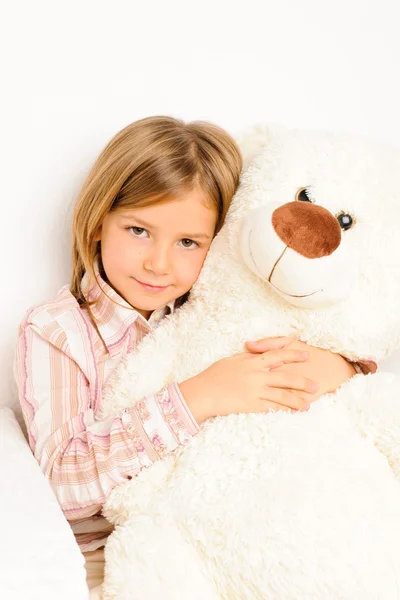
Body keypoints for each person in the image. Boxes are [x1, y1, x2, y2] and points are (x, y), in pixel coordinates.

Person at [14, 116, 357, 598]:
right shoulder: (59, 330)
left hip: (221, 537)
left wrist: (338, 367)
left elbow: (333, 354)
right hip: (109, 558)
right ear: (97, 224)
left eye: (188, 243)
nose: (159, 263)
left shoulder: (213, 313)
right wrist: (199, 397)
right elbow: (63, 486)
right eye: (138, 230)